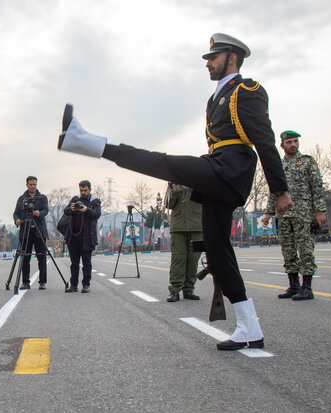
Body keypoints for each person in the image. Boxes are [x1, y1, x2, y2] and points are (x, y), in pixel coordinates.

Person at [58, 33, 293, 351]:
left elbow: (265, 140)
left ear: (233, 58)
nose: (208, 62)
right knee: (217, 248)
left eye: (214, 56)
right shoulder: (214, 99)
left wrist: (279, 190)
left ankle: (83, 140)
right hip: (218, 172)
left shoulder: (247, 90)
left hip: (231, 169)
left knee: (164, 163)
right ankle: (249, 327)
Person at [262, 130, 326, 300]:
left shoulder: (306, 162)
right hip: (283, 216)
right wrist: (269, 212)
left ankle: (307, 287)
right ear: (282, 145)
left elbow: (317, 187)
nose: (293, 145)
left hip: (303, 214)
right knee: (288, 250)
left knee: (305, 250)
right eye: (289, 142)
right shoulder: (279, 166)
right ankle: (294, 285)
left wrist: (319, 211)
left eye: (295, 141)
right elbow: (274, 192)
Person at [165, 183, 203, 302]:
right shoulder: (173, 183)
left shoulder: (200, 181)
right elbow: (168, 204)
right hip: (178, 227)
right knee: (178, 258)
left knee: (193, 258)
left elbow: (205, 199)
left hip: (197, 226)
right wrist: (175, 191)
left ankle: (189, 289)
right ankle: (174, 290)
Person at [63, 180, 101, 293]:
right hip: (73, 237)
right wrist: (72, 208)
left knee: (87, 263)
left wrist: (86, 210)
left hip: (87, 238)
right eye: (81, 190)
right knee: (74, 263)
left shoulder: (95, 201)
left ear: (90, 189)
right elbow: (65, 210)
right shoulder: (75, 199)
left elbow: (96, 215)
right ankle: (73, 285)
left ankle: (86, 285)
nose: (83, 192)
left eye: (85, 190)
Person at [12, 176, 49, 290]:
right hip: (25, 231)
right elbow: (16, 213)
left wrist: (39, 213)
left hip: (39, 231)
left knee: (41, 257)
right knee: (25, 258)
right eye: (31, 184)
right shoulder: (21, 198)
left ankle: (42, 282)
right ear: (27, 185)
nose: (33, 186)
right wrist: (17, 220)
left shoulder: (42, 198)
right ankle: (25, 282)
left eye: (34, 184)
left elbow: (46, 210)